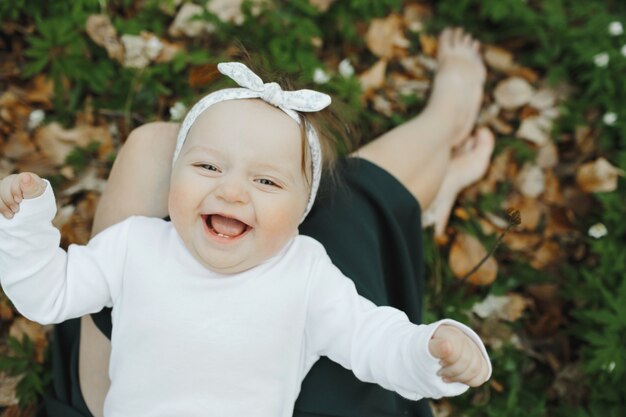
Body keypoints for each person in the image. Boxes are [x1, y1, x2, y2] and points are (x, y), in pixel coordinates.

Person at [9, 29, 494, 417]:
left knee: (353, 201)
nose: (232, 191)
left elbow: (371, 339)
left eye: (265, 182)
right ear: (172, 176)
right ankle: (438, 156)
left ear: (304, 213)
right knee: (357, 202)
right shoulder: (135, 246)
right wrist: (23, 223)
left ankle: (443, 135)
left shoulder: (305, 272)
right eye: (207, 168)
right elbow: (50, 291)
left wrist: (429, 350)